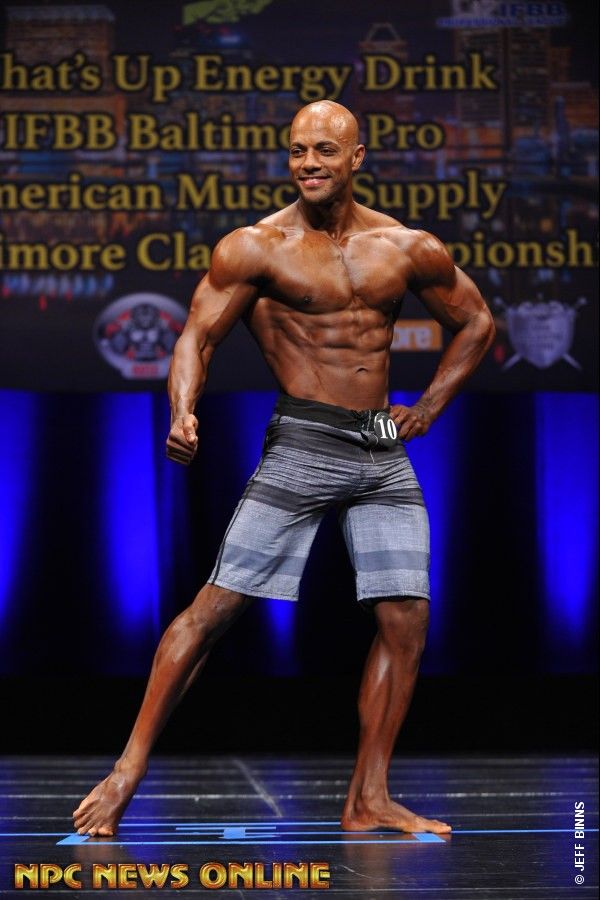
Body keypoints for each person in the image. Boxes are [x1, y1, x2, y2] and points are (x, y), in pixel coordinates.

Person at [73, 100, 495, 837]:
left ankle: (369, 798)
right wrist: (182, 409)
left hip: (380, 449)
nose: (308, 163)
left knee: (407, 619)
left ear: (356, 157)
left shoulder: (405, 246)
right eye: (298, 150)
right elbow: (196, 336)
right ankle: (125, 773)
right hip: (304, 444)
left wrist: (428, 407)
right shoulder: (256, 247)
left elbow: (477, 321)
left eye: (325, 150)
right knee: (213, 612)